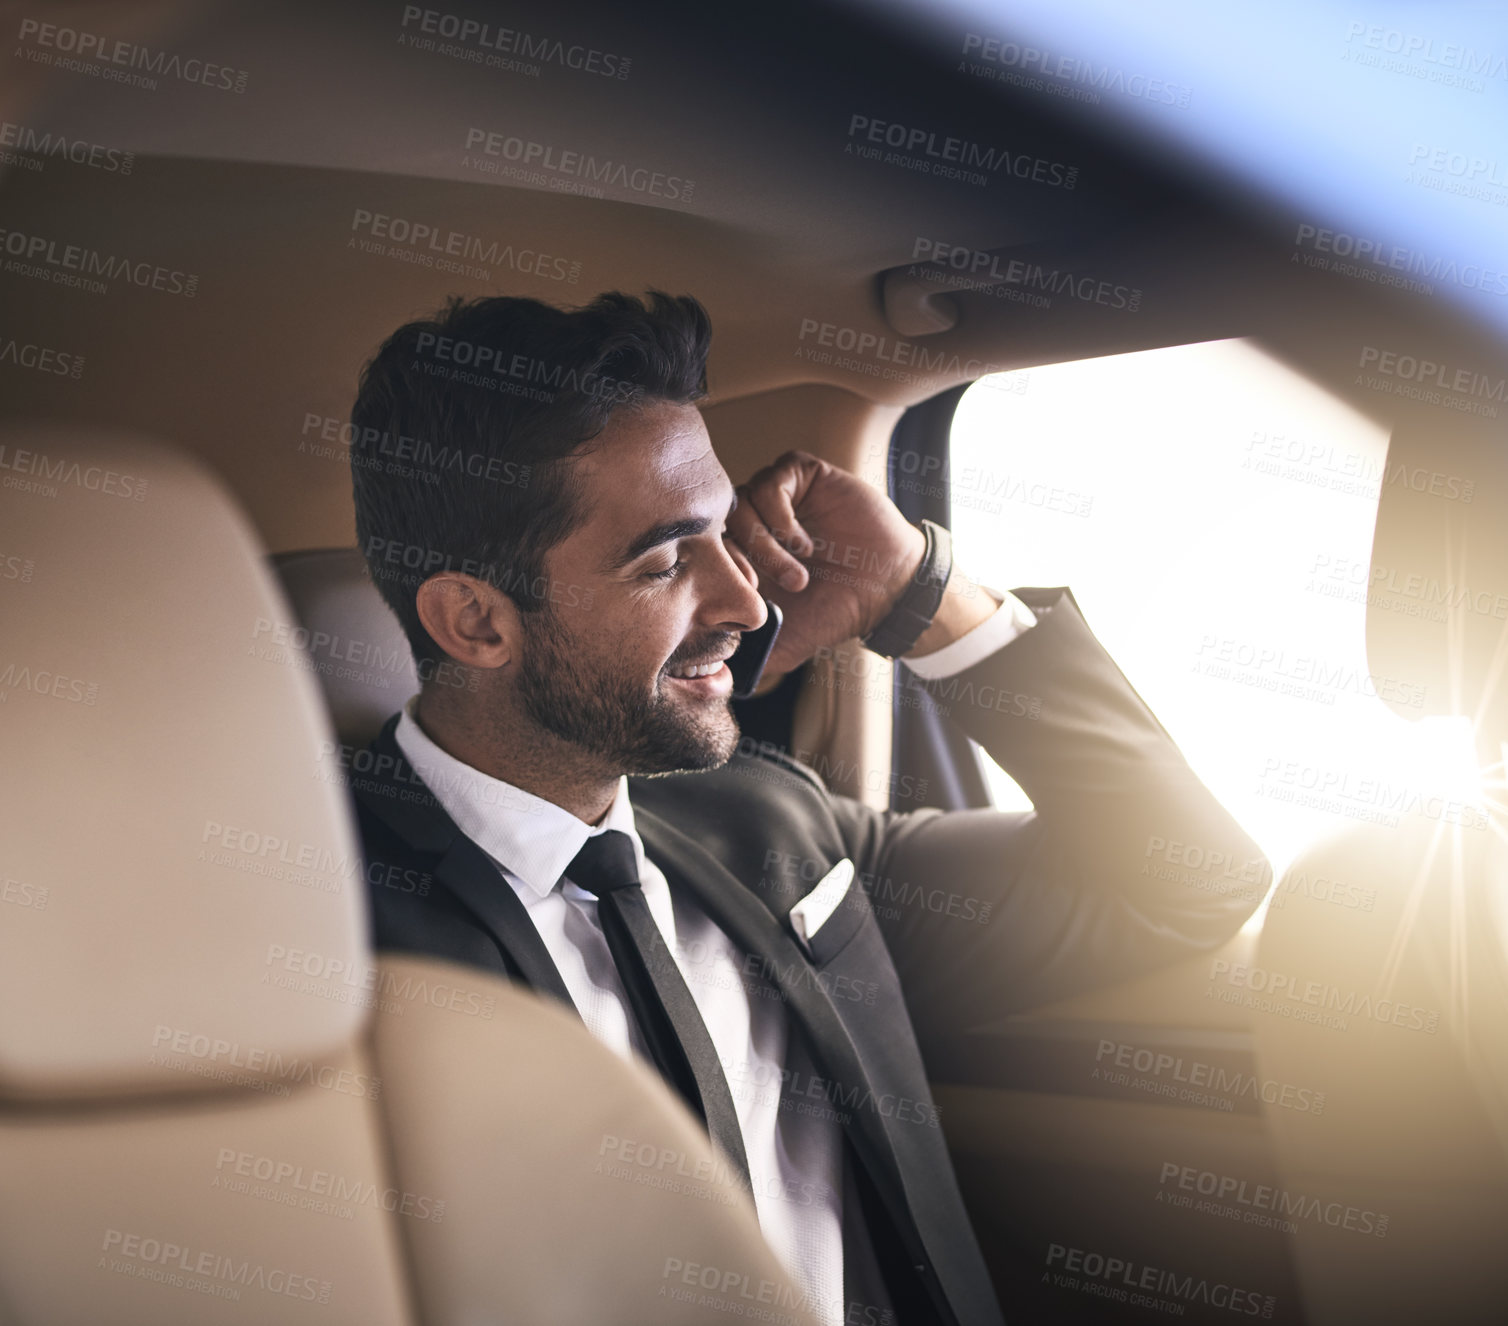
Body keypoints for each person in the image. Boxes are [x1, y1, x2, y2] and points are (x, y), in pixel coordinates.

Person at [345, 290, 1267, 1326]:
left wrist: (917, 588)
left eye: (723, 540)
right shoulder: (319, 929)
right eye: (663, 563)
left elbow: (1189, 880)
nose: (743, 604)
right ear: (474, 621)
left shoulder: (764, 825)